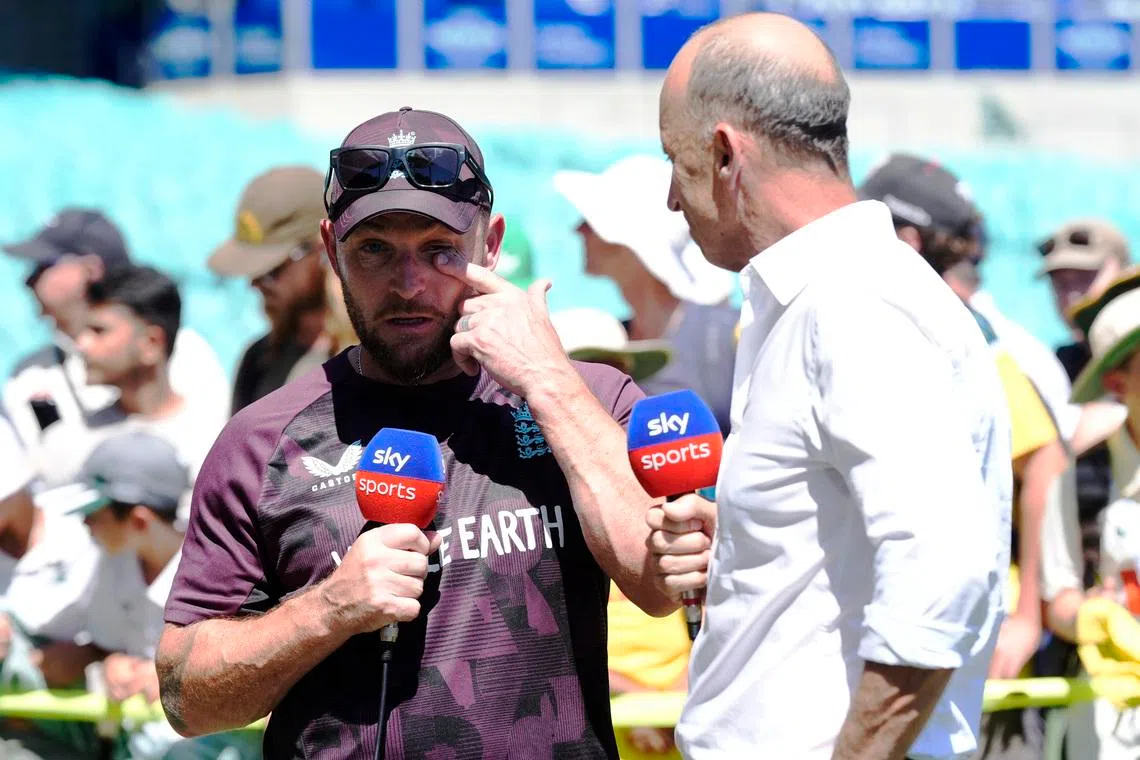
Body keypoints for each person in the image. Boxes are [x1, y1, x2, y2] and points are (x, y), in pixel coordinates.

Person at [156, 106, 690, 759]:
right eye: (374, 250)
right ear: (330, 249)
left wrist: (548, 382)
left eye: (440, 250)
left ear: (490, 245)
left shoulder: (589, 401)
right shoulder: (262, 441)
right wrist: (329, 609)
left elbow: (658, 586)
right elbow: (185, 697)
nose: (408, 285)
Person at [652, 13, 1009, 760]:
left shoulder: (852, 303)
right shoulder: (831, 297)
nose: (671, 199)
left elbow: (941, 572)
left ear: (725, 154)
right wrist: (752, 536)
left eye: (675, 162)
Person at [859, 153, 1072, 759]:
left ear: (908, 239)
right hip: (921, 628)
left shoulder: (965, 331)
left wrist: (1027, 615)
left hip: (965, 637)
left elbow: (1046, 460)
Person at [551, 307, 687, 758]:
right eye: (589, 374)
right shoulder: (528, 495)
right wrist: (632, 699)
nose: (607, 390)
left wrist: (681, 695)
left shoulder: (680, 476)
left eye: (619, 374)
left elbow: (716, 601)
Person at [2, 208, 229, 447]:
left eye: (43, 266)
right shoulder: (28, 377)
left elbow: (215, 446)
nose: (27, 281)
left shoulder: (187, 353)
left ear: (90, 270)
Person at [554, 155, 738, 432]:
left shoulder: (721, 338)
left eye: (590, 222)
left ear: (626, 240)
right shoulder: (615, 339)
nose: (578, 229)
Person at [31, 265, 221, 525]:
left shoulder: (209, 438)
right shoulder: (74, 439)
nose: (81, 345)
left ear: (151, 344)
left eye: (99, 331)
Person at [1042, 267, 1140, 759]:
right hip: (1110, 727)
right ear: (1117, 381)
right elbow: (1056, 599)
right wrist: (1092, 618)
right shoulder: (1079, 470)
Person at [208, 166, 330, 415]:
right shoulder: (258, 362)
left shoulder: (371, 363)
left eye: (272, 270)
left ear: (324, 250)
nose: (254, 283)